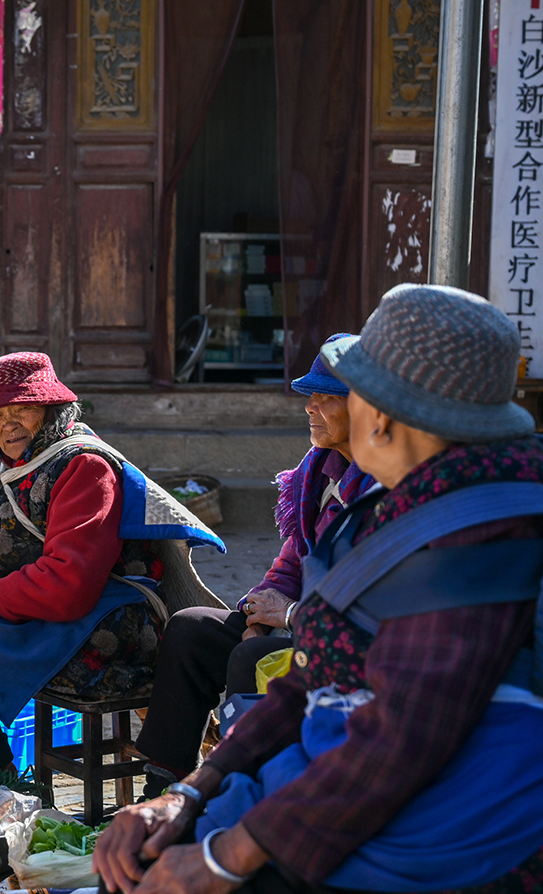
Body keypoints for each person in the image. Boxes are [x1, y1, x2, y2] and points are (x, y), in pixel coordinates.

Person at [94, 284, 543, 894]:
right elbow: (311, 678)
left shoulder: (490, 521)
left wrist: (226, 856)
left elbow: (406, 737)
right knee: (151, 849)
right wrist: (189, 794)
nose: (322, 409)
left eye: (349, 394)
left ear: (382, 416)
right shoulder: (406, 493)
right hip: (396, 771)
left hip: (496, 821)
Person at [0, 352, 223, 778]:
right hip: (47, 605)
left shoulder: (84, 467)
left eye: (22, 409)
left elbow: (68, 583)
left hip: (107, 618)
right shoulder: (9, 470)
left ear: (52, 411)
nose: (8, 424)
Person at [133, 335, 375, 797]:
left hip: (343, 642)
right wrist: (254, 613)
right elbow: (289, 564)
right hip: (294, 621)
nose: (311, 407)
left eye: (327, 397)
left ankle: (241, 796)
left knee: (249, 658)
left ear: (366, 409)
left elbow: (364, 606)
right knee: (190, 629)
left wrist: (284, 617)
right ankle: (164, 785)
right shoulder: (316, 473)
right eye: (311, 396)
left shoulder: (382, 489)